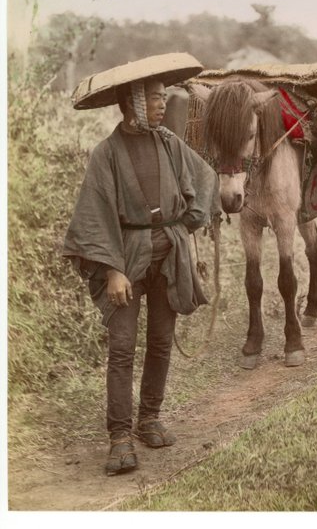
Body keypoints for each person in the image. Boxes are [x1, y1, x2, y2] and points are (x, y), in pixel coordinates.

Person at [63, 64, 220, 476]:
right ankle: (119, 436)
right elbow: (93, 217)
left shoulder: (168, 143)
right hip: (126, 257)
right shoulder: (106, 153)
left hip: (169, 256)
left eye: (163, 96)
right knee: (122, 347)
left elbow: (205, 176)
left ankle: (148, 418)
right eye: (154, 97)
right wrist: (113, 269)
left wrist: (187, 226)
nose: (162, 103)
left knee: (162, 340)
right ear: (131, 102)